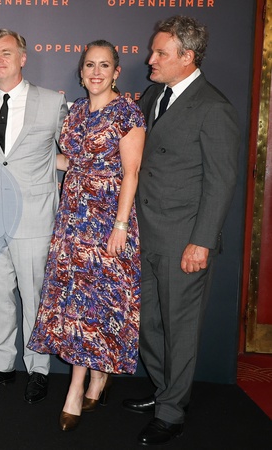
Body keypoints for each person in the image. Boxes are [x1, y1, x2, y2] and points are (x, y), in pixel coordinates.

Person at [123, 16, 240, 445]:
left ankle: (172, 413)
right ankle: (165, 390)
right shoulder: (154, 94)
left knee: (180, 329)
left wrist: (202, 242)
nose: (150, 60)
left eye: (160, 53)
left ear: (187, 57)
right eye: (153, 51)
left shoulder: (213, 107)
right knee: (148, 324)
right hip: (144, 232)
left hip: (183, 240)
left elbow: (221, 182)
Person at [27, 40, 145, 431]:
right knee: (76, 303)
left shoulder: (127, 111)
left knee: (97, 305)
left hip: (108, 219)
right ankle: (97, 378)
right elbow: (69, 161)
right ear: (81, 72)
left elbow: (131, 173)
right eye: (90, 65)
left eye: (104, 65)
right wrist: (25, 159)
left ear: (116, 72)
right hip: (72, 219)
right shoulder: (75, 110)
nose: (96, 72)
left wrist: (121, 225)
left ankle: (76, 389)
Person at [0, 29, 67, 402]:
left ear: (22, 58)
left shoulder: (52, 101)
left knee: (35, 297)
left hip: (35, 217)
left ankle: (38, 369)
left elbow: (73, 153)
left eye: (6, 53)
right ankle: (2, 365)